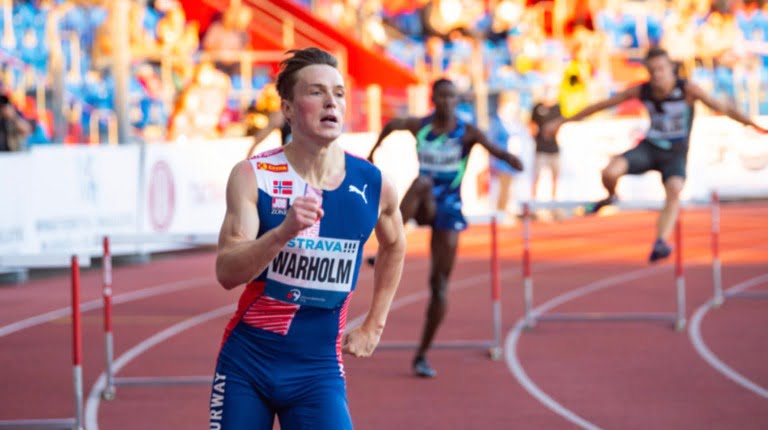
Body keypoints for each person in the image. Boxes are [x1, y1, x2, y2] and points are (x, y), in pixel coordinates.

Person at [211, 47, 406, 429]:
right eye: (316, 91)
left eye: (339, 92)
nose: (331, 100)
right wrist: (281, 234)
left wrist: (374, 325)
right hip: (247, 364)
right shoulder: (254, 176)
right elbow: (227, 272)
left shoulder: (373, 182)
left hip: (317, 372)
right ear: (287, 108)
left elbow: (395, 244)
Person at [544, 47, 768, 263]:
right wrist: (562, 122)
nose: (657, 76)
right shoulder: (643, 90)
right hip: (650, 147)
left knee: (674, 190)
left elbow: (725, 108)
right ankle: (611, 195)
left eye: (661, 69)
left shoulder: (688, 90)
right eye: (652, 71)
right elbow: (601, 105)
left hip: (675, 153)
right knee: (610, 172)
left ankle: (660, 241)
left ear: (671, 68)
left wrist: (753, 125)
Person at [366, 78, 523, 378]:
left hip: (448, 209)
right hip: (423, 202)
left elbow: (495, 150)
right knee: (421, 183)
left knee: (439, 285)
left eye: (453, 97)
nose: (448, 102)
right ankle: (386, 246)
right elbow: (392, 124)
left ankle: (422, 354)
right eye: (442, 97)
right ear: (434, 99)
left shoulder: (467, 132)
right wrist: (375, 150)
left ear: (457, 100)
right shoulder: (419, 125)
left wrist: (511, 160)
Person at [530, 87, 562, 202]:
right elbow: (532, 126)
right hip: (541, 148)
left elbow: (560, 125)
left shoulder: (557, 108)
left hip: (554, 148)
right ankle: (533, 201)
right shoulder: (538, 108)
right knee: (537, 176)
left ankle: (554, 201)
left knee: (555, 177)